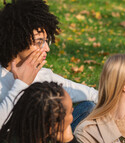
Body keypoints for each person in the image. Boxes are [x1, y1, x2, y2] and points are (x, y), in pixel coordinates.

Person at [0, 0, 97, 130]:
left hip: (47, 142)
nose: (46, 48)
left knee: (89, 106)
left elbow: (82, 92)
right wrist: (21, 84)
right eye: (39, 42)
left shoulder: (41, 74)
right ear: (17, 41)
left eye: (46, 41)